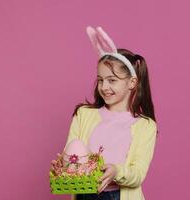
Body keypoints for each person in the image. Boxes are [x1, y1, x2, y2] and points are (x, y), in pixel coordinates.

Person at [64, 26, 158, 200]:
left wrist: (116, 171)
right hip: (85, 193)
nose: (104, 87)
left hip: (117, 195)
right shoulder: (83, 114)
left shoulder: (145, 126)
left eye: (112, 80)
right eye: (100, 80)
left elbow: (138, 173)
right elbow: (71, 154)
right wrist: (66, 166)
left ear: (132, 83)